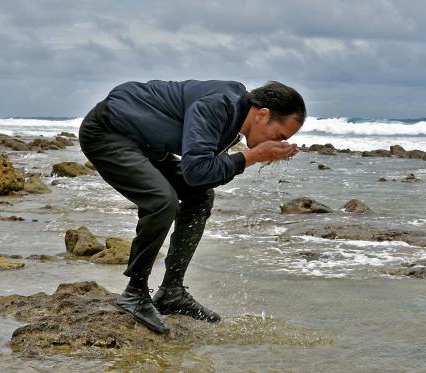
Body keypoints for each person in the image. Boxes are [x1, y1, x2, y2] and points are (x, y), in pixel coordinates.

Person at [78, 80, 305, 333]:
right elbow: (197, 171)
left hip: (148, 146)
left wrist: (250, 158)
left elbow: (201, 177)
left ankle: (172, 292)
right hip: (107, 132)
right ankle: (135, 293)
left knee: (201, 197)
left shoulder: (234, 120)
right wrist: (252, 157)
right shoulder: (218, 105)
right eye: (280, 135)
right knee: (162, 202)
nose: (280, 142)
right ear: (263, 114)